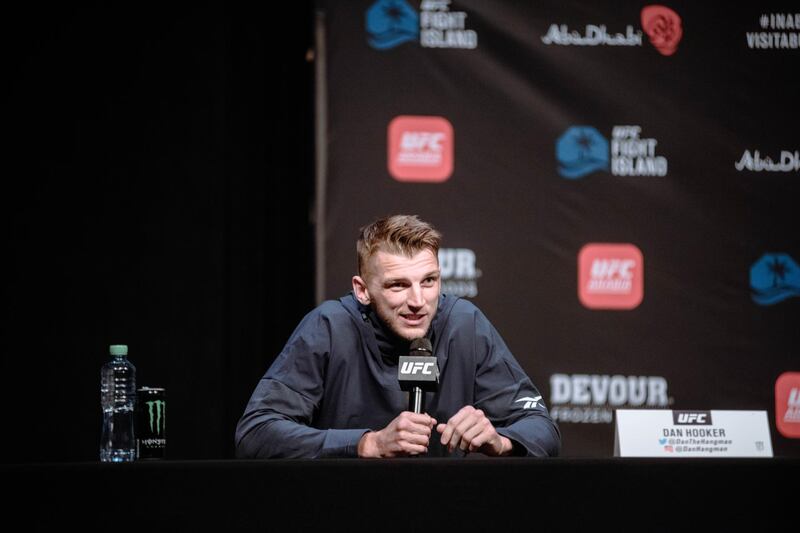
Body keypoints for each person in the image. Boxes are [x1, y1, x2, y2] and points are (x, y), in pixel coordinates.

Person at [235, 214, 561, 458]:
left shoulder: (465, 324)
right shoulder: (329, 326)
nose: (418, 301)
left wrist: (501, 440)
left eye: (429, 281)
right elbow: (255, 433)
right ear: (362, 290)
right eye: (398, 285)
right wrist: (368, 443)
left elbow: (542, 428)